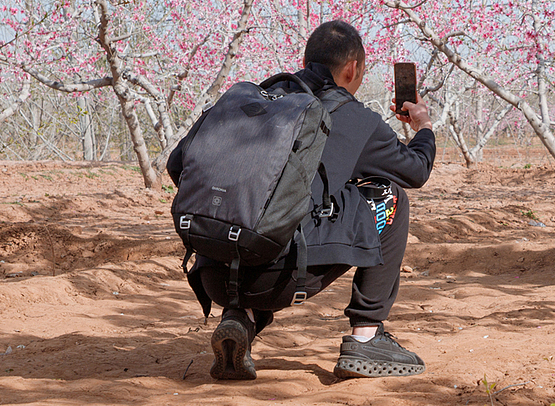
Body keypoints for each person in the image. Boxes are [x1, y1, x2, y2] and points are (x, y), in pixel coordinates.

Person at [167, 20, 436, 380]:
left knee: (261, 213)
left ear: (305, 61)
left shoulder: (254, 100)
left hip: (214, 274)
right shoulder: (356, 118)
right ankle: (367, 336)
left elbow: (177, 165)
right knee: (391, 196)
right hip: (280, 278)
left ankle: (240, 318)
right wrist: (423, 126)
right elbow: (417, 170)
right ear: (352, 69)